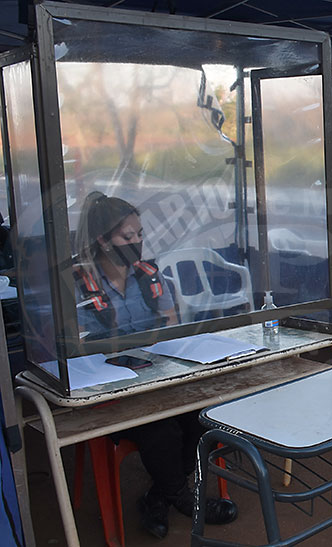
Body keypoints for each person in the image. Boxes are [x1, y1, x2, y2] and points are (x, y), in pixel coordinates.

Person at [74, 192, 238, 538]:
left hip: (158, 377)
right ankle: (185, 499)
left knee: (204, 414)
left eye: (139, 234)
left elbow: (170, 323)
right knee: (159, 427)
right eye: (127, 236)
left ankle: (159, 497)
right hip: (111, 389)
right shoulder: (80, 284)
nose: (136, 242)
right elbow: (79, 345)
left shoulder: (148, 275)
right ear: (103, 241)